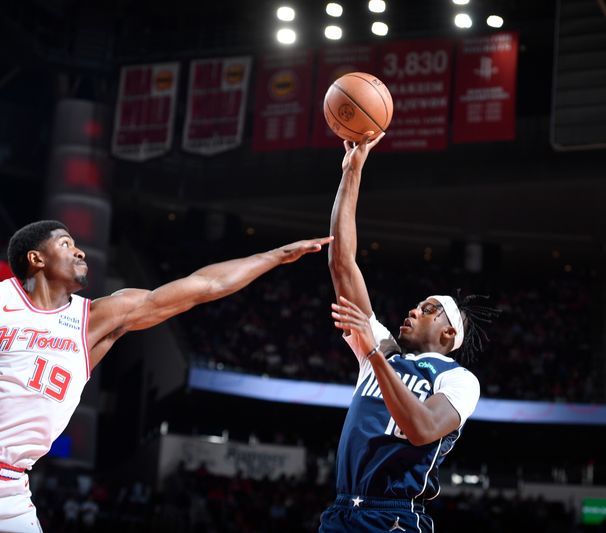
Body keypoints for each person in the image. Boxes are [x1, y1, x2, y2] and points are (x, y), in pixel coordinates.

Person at [0, 220, 332, 532]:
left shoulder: (94, 319)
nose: (79, 251)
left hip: (12, 489)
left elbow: (203, 286)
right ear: (36, 258)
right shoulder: (4, 301)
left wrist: (275, 256)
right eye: (65, 244)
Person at [320, 133, 498, 533]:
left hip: (393, 516)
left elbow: (420, 428)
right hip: (340, 512)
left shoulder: (458, 380)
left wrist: (375, 357)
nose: (415, 310)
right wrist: (352, 173)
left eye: (430, 309)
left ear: (449, 335)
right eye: (418, 304)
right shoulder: (385, 350)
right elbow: (342, 264)